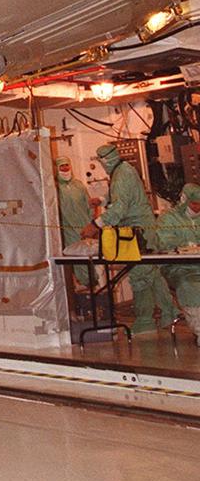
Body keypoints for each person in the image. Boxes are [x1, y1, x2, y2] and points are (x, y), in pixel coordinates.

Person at [81, 143, 177, 334]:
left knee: (139, 274)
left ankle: (144, 321)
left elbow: (119, 208)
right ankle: (170, 311)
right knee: (151, 273)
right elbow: (120, 195)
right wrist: (101, 200)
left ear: (105, 161)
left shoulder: (122, 174)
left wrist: (95, 225)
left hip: (139, 232)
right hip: (142, 228)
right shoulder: (123, 170)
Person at [151, 182, 200, 337]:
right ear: (184, 200)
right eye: (194, 204)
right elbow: (164, 243)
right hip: (179, 268)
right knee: (191, 286)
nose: (197, 207)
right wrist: (188, 246)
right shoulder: (168, 219)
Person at [55, 156, 94, 287]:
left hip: (85, 228)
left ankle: (91, 284)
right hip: (68, 230)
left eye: (67, 165)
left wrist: (91, 224)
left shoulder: (79, 185)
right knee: (76, 259)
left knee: (89, 259)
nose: (65, 168)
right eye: (61, 166)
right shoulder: (55, 188)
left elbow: (89, 205)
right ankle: (83, 284)